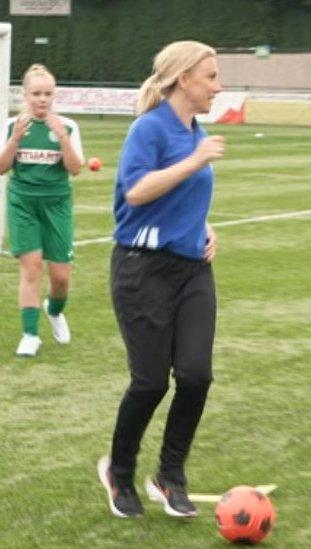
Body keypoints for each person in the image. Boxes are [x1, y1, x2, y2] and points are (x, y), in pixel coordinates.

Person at [97, 40, 224, 519]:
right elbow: (136, 191)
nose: (218, 85)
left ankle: (170, 477)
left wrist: (206, 227)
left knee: (196, 375)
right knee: (150, 383)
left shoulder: (198, 132)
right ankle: (120, 474)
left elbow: (186, 198)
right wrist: (195, 161)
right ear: (183, 79)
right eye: (210, 76)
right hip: (141, 271)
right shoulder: (148, 130)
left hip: (193, 271)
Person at [0, 64, 83, 356]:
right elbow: (1, 168)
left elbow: (75, 169)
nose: (42, 99)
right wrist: (14, 141)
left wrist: (61, 137)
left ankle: (55, 309)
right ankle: (30, 334)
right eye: (36, 93)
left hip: (56, 204)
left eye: (48, 93)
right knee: (31, 268)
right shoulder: (12, 125)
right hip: (23, 203)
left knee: (60, 277)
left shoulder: (68, 126)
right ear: (24, 94)